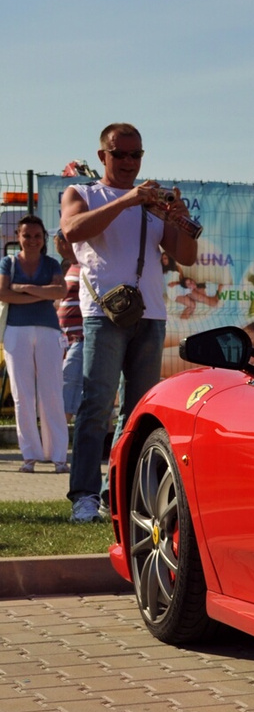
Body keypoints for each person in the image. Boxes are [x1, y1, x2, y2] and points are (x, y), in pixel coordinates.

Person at [60, 122, 199, 523]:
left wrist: (179, 216)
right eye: (119, 154)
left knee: (138, 413)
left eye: (135, 155)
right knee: (96, 405)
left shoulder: (152, 202)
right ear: (102, 155)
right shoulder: (82, 193)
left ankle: (118, 494)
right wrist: (126, 201)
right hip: (103, 314)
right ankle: (83, 495)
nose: (127, 162)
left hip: (150, 314)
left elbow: (185, 256)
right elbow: (71, 231)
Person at [0, 215, 69, 472]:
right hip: (15, 332)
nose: (31, 240)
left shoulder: (51, 263)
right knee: (22, 395)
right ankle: (29, 456)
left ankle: (59, 457)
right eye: (26, 235)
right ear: (18, 237)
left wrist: (25, 288)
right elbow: (3, 292)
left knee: (51, 392)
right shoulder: (8, 263)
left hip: (49, 332)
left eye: (36, 236)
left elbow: (59, 292)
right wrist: (41, 294)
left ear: (43, 239)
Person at [54, 231, 85, 423]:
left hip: (81, 337)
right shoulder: (72, 267)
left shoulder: (84, 265)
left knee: (68, 384)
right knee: (71, 385)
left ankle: (61, 436)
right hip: (67, 338)